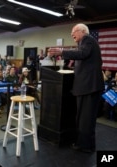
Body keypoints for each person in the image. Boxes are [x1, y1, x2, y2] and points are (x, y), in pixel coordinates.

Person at [48, 23, 104, 153]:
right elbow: (83, 60)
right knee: (83, 118)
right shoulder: (83, 43)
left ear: (82, 31)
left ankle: (85, 146)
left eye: (74, 31)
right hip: (86, 87)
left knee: (86, 119)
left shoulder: (88, 40)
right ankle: (85, 144)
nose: (71, 34)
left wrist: (62, 51)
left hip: (90, 87)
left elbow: (82, 54)